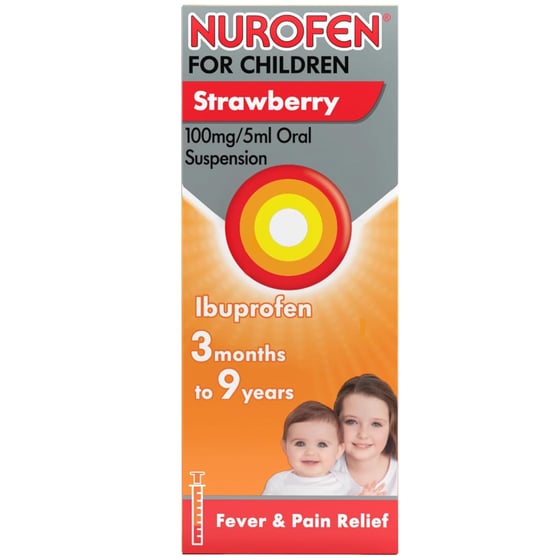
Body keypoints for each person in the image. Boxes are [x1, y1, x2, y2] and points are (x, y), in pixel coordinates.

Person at [262, 400, 363, 496]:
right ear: (285, 447)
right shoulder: (278, 482)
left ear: (338, 450)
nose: (310, 452)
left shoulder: (345, 482)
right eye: (300, 444)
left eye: (322, 444)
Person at [333, 374, 398, 496]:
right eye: (351, 422)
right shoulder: (319, 472)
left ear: (391, 427)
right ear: (336, 423)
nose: (363, 434)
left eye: (376, 424)